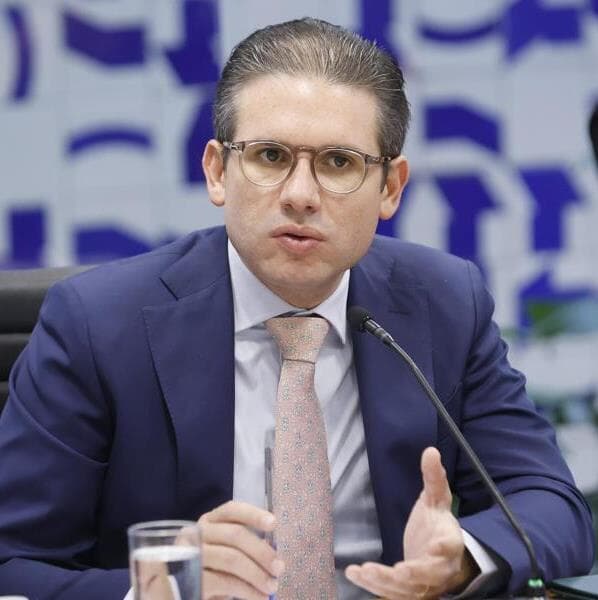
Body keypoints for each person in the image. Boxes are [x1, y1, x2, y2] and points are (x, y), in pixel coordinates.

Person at [0, 17, 594, 600]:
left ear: (389, 188)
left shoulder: (444, 302)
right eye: (270, 156)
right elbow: (12, 562)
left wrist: (460, 556)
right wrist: (165, 587)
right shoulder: (98, 324)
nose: (301, 196)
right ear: (217, 172)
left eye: (338, 163)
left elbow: (551, 506)